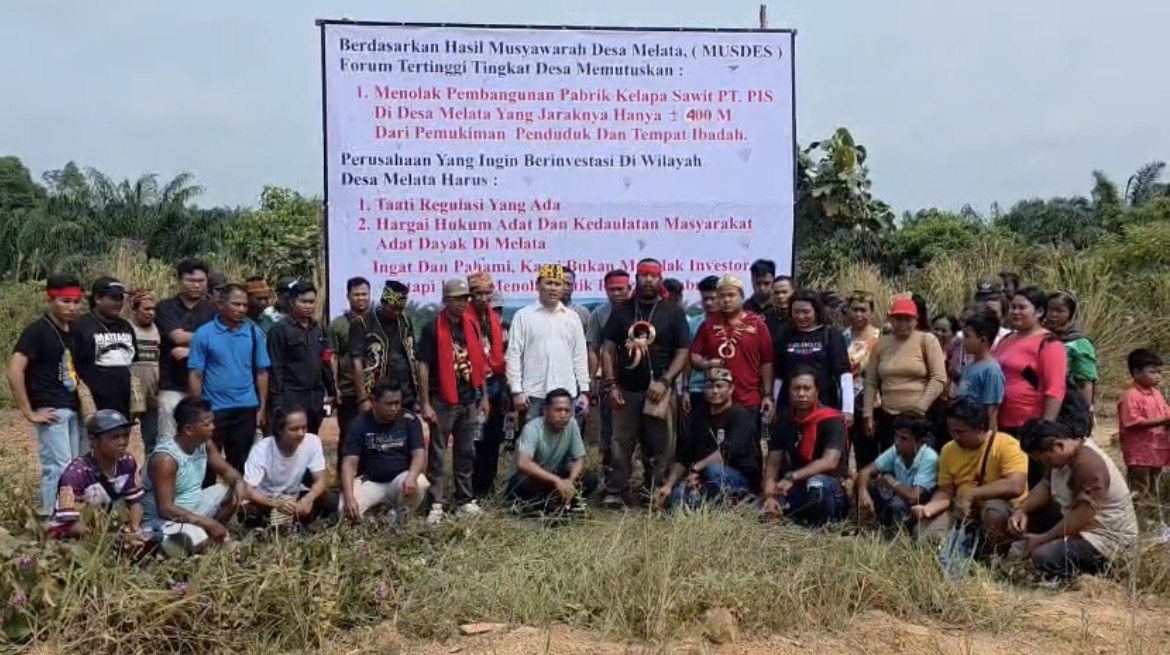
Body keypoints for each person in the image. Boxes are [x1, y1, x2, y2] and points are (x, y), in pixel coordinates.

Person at [600, 258, 691, 507]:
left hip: (659, 392)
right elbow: (607, 349)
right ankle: (616, 491)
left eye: (654, 275)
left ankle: (655, 491)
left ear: (660, 277)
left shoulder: (673, 311)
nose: (649, 279)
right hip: (626, 390)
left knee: (661, 445)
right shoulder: (623, 311)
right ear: (636, 278)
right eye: (643, 275)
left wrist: (665, 381)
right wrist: (611, 384)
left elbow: (683, 352)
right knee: (620, 443)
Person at [1011, 417, 1138, 581]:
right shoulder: (1062, 458)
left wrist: (1044, 538)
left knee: (1043, 556)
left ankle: (1093, 576)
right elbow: (1047, 484)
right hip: (1081, 525)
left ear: (1059, 445)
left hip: (1107, 540)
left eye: (1046, 459)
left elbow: (1083, 514)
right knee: (1027, 522)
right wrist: (1022, 509)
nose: (1046, 464)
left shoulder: (1088, 465)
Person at [7, 274, 83, 515]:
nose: (71, 307)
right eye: (65, 301)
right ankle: (54, 520)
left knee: (72, 466)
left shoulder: (72, 330)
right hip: (50, 407)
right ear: (50, 300)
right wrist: (28, 411)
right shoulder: (37, 331)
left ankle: (61, 515)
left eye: (75, 301)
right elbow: (14, 370)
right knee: (58, 467)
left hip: (71, 404)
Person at [417, 279, 491, 524]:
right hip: (442, 400)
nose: (463, 303)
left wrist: (485, 396)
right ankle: (435, 502)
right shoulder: (432, 327)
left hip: (469, 398)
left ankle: (464, 500)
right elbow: (423, 365)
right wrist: (425, 403)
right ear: (445, 300)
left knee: (466, 451)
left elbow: (479, 363)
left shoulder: (471, 324)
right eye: (457, 298)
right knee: (437, 452)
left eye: (465, 298)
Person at [912, 398, 1028, 553]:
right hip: (963, 511)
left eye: (960, 432)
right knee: (924, 533)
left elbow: (1015, 485)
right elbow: (946, 490)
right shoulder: (948, 450)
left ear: (980, 428)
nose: (955, 436)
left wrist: (971, 493)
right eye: (951, 431)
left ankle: (996, 557)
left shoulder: (1007, 445)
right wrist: (931, 508)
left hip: (1003, 510)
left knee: (994, 511)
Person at [141, 397, 245, 555]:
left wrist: (238, 482)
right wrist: (207, 523)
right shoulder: (166, 460)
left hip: (192, 510)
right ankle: (207, 542)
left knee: (232, 493)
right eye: (207, 424)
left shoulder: (205, 444)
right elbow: (166, 509)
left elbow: (226, 471)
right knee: (194, 537)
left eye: (212, 422)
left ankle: (211, 540)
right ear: (188, 429)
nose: (213, 427)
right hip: (163, 521)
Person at [188, 284, 271, 483]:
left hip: (245, 407)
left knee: (240, 461)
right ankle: (206, 506)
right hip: (214, 410)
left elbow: (261, 372)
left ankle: (237, 506)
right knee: (207, 461)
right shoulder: (204, 334)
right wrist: (198, 409)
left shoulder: (253, 333)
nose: (241, 309)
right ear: (220, 303)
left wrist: (261, 408)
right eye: (235, 304)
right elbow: (196, 374)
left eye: (244, 305)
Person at [655, 368, 761, 510]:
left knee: (713, 471)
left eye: (720, 386)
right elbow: (684, 455)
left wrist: (697, 469)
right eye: (710, 386)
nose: (714, 391)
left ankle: (737, 504)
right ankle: (706, 506)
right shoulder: (699, 415)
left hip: (737, 477)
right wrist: (669, 485)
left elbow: (728, 451)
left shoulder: (741, 416)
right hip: (703, 476)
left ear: (731, 389)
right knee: (676, 498)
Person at [860, 295, 947, 469]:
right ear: (891, 320)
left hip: (920, 418)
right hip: (888, 417)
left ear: (916, 320)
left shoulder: (927, 340)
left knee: (920, 465)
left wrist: (921, 406)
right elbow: (871, 381)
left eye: (908, 319)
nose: (902, 324)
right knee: (892, 465)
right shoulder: (881, 344)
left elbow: (939, 378)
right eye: (898, 319)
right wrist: (867, 413)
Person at [996, 286, 1067, 486]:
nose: (1015, 312)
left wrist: (1045, 428)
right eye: (1012, 307)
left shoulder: (1049, 344)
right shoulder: (1007, 339)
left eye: (1022, 307)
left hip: (1029, 425)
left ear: (1039, 312)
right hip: (1001, 422)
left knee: (1034, 479)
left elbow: (1055, 389)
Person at [762, 368, 849, 526]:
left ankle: (821, 525)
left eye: (807, 388)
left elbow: (830, 461)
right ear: (788, 391)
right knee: (766, 506)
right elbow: (773, 463)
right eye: (796, 388)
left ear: (817, 391)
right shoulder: (783, 420)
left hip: (829, 485)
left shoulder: (832, 419)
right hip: (796, 486)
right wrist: (769, 496)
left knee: (816, 484)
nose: (801, 394)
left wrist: (792, 477)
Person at [47, 410, 145, 548]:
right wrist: (108, 540)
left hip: (108, 528)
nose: (122, 442)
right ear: (93, 440)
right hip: (74, 538)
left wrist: (134, 529)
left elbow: (135, 503)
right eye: (115, 437)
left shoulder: (127, 462)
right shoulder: (74, 474)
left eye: (125, 435)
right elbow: (70, 524)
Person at [506, 263, 591, 422]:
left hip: (566, 394)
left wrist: (585, 392)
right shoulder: (523, 316)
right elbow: (513, 355)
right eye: (548, 283)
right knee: (532, 443)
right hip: (532, 395)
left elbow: (579, 356)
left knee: (565, 443)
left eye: (558, 284)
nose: (553, 288)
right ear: (537, 285)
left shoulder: (572, 317)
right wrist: (516, 391)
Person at [339, 380, 430, 524]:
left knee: (419, 482)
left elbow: (419, 453)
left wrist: (412, 476)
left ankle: (400, 517)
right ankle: (374, 518)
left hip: (400, 481)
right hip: (370, 480)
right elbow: (349, 465)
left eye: (397, 403)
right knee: (343, 510)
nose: (394, 408)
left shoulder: (409, 419)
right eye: (389, 404)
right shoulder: (359, 423)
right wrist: (349, 498)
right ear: (374, 402)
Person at [689, 275, 775, 425]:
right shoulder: (708, 324)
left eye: (731, 295)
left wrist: (768, 395)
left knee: (745, 444)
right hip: (716, 399)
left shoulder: (756, 323)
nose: (726, 300)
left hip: (747, 399)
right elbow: (694, 355)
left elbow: (767, 361)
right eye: (722, 296)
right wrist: (707, 364)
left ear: (742, 297)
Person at [504, 388, 596, 515]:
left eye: (567, 410)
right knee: (521, 482)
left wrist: (570, 480)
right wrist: (557, 481)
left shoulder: (572, 424)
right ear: (546, 411)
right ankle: (542, 505)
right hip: (534, 479)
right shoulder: (532, 428)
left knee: (591, 479)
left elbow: (579, 459)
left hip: (554, 478)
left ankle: (559, 503)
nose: (563, 415)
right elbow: (523, 463)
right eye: (558, 410)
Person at [156, 259, 218, 441]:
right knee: (168, 437)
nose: (196, 285)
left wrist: (192, 352)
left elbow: (222, 343)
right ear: (179, 281)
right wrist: (209, 339)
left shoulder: (214, 310)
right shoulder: (165, 307)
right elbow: (177, 337)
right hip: (173, 385)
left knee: (203, 438)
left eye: (201, 281)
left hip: (207, 385)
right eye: (191, 281)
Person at [242, 407, 335, 529]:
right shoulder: (262, 449)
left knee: (331, 501)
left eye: (304, 427)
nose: (301, 433)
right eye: (294, 429)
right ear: (280, 430)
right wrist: (275, 504)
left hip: (294, 498)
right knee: (249, 512)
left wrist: (309, 498)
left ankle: (302, 523)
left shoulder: (312, 441)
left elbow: (320, 479)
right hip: (266, 500)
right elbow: (248, 490)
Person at [267, 280, 335, 434]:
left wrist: (332, 392)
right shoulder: (279, 330)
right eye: (303, 301)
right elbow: (275, 368)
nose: (308, 306)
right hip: (291, 398)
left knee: (311, 439)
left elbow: (325, 362)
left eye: (311, 302)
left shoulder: (319, 329)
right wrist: (278, 403)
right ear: (292, 302)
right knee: (289, 443)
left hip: (315, 399)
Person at [856, 416, 939, 535]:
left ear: (919, 442)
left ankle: (896, 535)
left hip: (921, 508)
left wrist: (891, 482)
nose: (897, 441)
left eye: (903, 438)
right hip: (901, 500)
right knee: (868, 484)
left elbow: (914, 496)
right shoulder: (897, 450)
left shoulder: (929, 457)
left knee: (896, 503)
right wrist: (862, 491)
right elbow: (866, 471)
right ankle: (870, 527)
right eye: (896, 436)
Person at [773, 291, 852, 415]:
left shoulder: (831, 335)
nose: (800, 316)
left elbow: (844, 374)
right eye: (796, 312)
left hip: (824, 404)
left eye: (806, 312)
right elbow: (779, 375)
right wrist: (774, 404)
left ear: (816, 311)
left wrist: (848, 409)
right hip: (788, 407)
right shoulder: (784, 336)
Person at [585, 269, 632, 476]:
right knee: (609, 430)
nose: (616, 293)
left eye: (620, 289)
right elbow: (594, 349)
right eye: (611, 289)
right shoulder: (599, 314)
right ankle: (609, 476)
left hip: (637, 382)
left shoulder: (640, 311)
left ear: (630, 288)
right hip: (610, 381)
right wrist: (592, 382)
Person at [467, 271, 509, 498]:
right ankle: (471, 491)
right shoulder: (465, 321)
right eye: (478, 294)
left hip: (496, 386)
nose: (484, 299)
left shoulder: (497, 323)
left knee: (493, 439)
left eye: (488, 295)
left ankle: (487, 488)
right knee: (474, 439)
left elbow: (501, 359)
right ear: (470, 296)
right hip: (473, 389)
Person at [350, 280, 419, 414]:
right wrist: (363, 398)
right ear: (383, 302)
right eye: (393, 308)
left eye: (401, 308)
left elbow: (413, 356)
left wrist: (419, 396)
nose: (397, 312)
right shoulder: (363, 323)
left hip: (405, 393)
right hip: (377, 394)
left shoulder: (405, 321)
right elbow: (356, 363)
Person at [74, 277, 138, 420]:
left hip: (123, 403)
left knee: (120, 441)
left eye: (121, 298)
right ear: (97, 298)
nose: (118, 303)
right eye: (114, 298)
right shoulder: (81, 325)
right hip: (91, 404)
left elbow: (133, 362)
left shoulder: (126, 326)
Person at [1117, 348, 1170, 500]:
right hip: (1139, 452)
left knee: (1154, 489)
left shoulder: (1156, 394)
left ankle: (1152, 521)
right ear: (1136, 372)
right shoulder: (1131, 395)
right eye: (1153, 372)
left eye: (1159, 372)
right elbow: (1132, 421)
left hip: (1157, 449)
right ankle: (1136, 521)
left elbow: (1166, 413)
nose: (1158, 376)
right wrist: (1163, 421)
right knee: (1139, 490)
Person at [328, 276, 372, 449]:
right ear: (348, 296)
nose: (361, 298)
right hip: (348, 389)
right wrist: (334, 387)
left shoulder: (378, 321)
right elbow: (333, 356)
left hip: (375, 390)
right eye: (357, 294)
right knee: (349, 435)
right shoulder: (337, 325)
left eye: (364, 294)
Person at [1045, 291, 1098, 412]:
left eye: (1060, 311)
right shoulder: (1038, 337)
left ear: (1071, 314)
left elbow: (1085, 382)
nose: (1052, 314)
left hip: (1067, 403)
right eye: (1049, 309)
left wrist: (1086, 411)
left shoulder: (1080, 343)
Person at [844, 290, 880, 464]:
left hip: (873, 404)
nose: (858, 314)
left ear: (871, 312)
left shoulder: (881, 338)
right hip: (846, 403)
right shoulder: (841, 337)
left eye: (863, 310)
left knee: (867, 454)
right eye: (855, 309)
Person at [957, 307, 1006, 435]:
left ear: (983, 340)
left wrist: (990, 442)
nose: (963, 341)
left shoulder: (991, 371)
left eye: (967, 336)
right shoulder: (969, 367)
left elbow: (991, 412)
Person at [129, 289, 161, 454]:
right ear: (135, 308)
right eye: (146, 309)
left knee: (153, 441)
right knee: (120, 437)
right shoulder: (126, 328)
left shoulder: (159, 330)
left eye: (153, 309)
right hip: (129, 394)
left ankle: (150, 476)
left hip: (153, 396)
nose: (151, 313)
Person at [684, 276, 721, 420]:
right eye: (705, 299)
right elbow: (686, 359)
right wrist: (685, 390)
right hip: (697, 388)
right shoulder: (693, 323)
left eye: (713, 298)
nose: (709, 303)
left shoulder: (733, 323)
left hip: (725, 389)